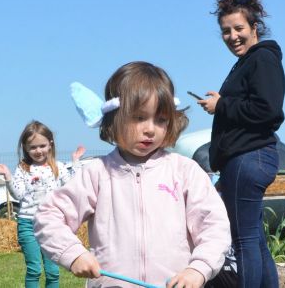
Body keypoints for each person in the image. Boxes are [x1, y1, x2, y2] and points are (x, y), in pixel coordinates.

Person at [34, 61, 232, 288]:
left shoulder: (184, 171)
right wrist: (73, 253)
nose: (150, 129)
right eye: (139, 118)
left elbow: (214, 225)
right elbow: (49, 217)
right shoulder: (97, 173)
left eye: (161, 120)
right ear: (114, 118)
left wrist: (198, 269)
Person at [196, 0, 285, 287]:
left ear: (254, 27)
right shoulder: (249, 62)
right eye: (225, 31)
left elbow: (268, 110)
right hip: (245, 160)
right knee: (255, 239)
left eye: (238, 29)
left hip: (250, 157)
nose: (232, 36)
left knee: (244, 240)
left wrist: (222, 105)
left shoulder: (263, 60)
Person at [0, 120, 85, 288]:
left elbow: (72, 186)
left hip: (52, 225)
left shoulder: (58, 167)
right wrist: (8, 175)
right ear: (25, 148)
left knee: (53, 272)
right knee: (34, 269)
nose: (38, 151)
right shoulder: (23, 169)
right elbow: (17, 194)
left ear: (50, 144)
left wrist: (75, 161)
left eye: (42, 146)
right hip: (28, 224)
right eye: (32, 147)